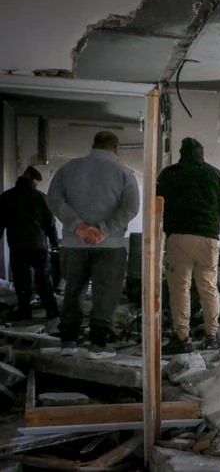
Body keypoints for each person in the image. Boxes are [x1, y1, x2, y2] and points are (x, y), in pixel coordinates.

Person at [48, 131, 140, 359]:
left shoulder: (68, 169)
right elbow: (130, 208)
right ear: (116, 148)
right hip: (110, 246)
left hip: (73, 243)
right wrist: (103, 230)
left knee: (73, 291)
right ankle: (98, 345)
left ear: (94, 145)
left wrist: (78, 226)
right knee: (105, 294)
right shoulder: (124, 173)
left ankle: (68, 342)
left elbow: (54, 199)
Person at [157, 138, 220, 354]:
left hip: (179, 236)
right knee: (208, 287)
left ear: (181, 153)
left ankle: (182, 337)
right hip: (208, 238)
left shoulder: (169, 174)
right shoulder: (215, 174)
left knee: (180, 288)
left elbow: (157, 202)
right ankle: (212, 336)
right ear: (202, 153)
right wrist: (212, 221)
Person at [0, 166, 60, 320]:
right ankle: (51, 310)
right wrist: (54, 242)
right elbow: (50, 223)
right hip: (39, 245)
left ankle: (25, 311)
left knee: (22, 280)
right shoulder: (41, 197)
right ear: (33, 182)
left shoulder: (6, 197)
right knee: (44, 279)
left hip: (17, 245)